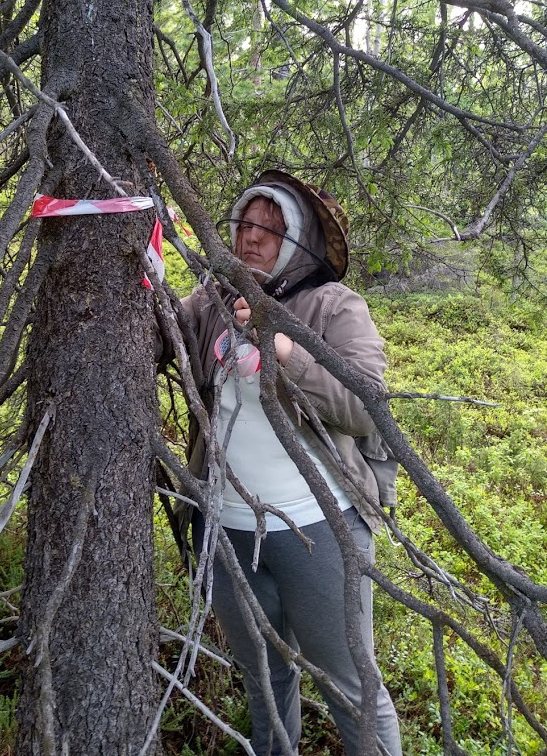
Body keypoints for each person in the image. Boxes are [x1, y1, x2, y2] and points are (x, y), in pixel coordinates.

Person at [164, 170, 402, 756]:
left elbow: (367, 407)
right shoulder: (215, 300)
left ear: (300, 240)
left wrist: (287, 349)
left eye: (271, 228)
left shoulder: (334, 306)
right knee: (264, 677)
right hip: (225, 529)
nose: (251, 238)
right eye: (246, 222)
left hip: (318, 530)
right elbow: (158, 337)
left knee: (351, 687)